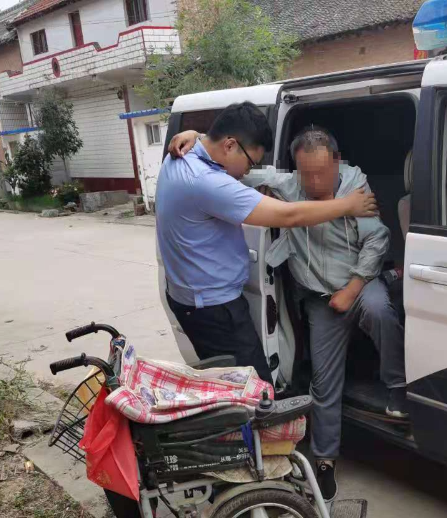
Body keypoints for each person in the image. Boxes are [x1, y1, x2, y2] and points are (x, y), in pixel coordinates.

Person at [169, 125, 407, 501]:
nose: (314, 181)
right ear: (296, 169)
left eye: (322, 173)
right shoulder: (288, 186)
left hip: (358, 285)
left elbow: (377, 240)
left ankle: (398, 389)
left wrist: (353, 287)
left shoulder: (355, 187)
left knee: (380, 310)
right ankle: (325, 462)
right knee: (325, 385)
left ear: (337, 163)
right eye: (306, 174)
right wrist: (195, 136)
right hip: (319, 299)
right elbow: (235, 163)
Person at [156, 103, 378, 385]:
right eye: (251, 162)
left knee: (227, 386)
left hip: (191, 298)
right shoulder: (208, 182)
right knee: (251, 392)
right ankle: (250, 429)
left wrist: (194, 133)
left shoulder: (180, 155)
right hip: (214, 310)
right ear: (230, 145)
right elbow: (290, 214)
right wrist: (347, 205)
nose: (249, 171)